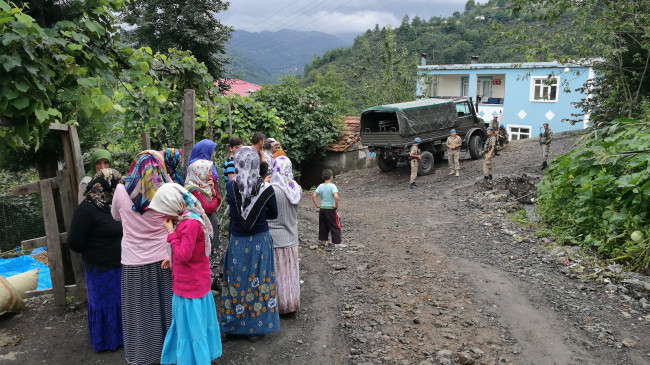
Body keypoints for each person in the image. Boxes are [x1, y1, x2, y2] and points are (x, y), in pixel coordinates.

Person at [111, 150, 173, 365]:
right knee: (167, 309)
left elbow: (115, 216)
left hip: (133, 261)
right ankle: (170, 354)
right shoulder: (164, 190)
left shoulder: (120, 190)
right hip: (164, 257)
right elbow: (177, 214)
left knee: (140, 313)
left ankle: (143, 356)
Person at [149, 183, 222, 365]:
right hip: (192, 285)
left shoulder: (188, 224)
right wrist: (171, 258)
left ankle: (196, 360)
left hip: (191, 288)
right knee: (191, 328)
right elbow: (188, 253)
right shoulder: (187, 220)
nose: (164, 217)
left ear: (174, 206)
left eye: (165, 211)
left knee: (192, 329)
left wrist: (171, 232)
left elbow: (184, 255)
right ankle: (193, 358)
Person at [220, 146, 280, 342]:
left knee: (236, 281)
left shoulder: (230, 187)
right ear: (256, 164)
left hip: (237, 241)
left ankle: (232, 324)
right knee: (258, 281)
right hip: (259, 241)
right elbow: (274, 214)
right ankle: (255, 327)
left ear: (237, 164)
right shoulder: (266, 188)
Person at [68, 168, 123, 352]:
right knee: (104, 306)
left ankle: (121, 339)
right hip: (100, 270)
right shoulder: (87, 209)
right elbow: (75, 242)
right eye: (117, 184)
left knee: (119, 304)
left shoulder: (114, 204)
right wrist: (97, 250)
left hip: (119, 267)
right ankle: (105, 342)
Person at [268, 156, 302, 315]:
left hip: (274, 239)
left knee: (278, 274)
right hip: (292, 237)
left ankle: (279, 306)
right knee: (291, 272)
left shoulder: (271, 189)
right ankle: (292, 304)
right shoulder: (296, 188)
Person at [185, 159, 222, 290]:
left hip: (210, 227)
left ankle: (214, 282)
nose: (210, 175)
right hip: (203, 230)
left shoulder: (203, 187)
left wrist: (213, 190)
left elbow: (214, 202)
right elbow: (207, 207)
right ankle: (208, 286)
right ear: (199, 173)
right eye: (207, 172)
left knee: (214, 254)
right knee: (207, 257)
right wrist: (216, 198)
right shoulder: (193, 189)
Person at [312, 169, 345, 248]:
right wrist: (336, 206)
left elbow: (313, 196)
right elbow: (336, 197)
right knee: (335, 225)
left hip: (322, 209)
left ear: (322, 177)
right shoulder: (332, 186)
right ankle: (338, 243)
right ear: (331, 177)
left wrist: (317, 205)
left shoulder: (320, 186)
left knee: (324, 225)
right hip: (330, 209)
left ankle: (326, 241)